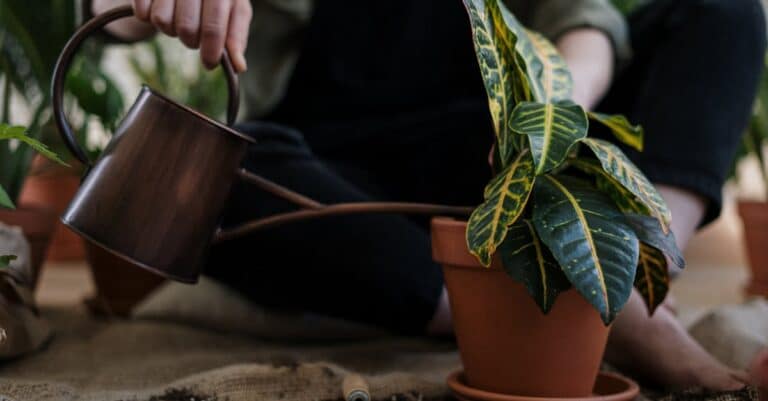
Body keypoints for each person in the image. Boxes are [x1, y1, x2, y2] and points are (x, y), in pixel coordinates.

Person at [80, 0, 767, 392]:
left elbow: (586, 23)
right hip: (340, 170)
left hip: (507, 157)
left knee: (725, 13)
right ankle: (555, 306)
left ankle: (644, 279)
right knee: (215, 178)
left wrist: (551, 114)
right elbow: (108, 15)